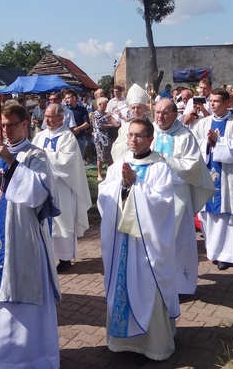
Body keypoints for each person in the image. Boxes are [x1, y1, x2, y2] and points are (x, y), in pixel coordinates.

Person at [0, 104, 61, 368]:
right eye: (2, 125)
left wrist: (10, 161)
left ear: (25, 124)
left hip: (22, 240)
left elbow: (39, 196)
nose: (6, 130)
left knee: (24, 306)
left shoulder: (35, 155)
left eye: (11, 125)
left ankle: (31, 360)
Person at [98, 118, 179, 361]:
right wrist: (122, 188)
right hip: (122, 241)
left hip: (147, 245)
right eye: (130, 135)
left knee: (148, 283)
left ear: (150, 139)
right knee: (120, 283)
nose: (133, 140)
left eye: (139, 136)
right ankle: (122, 343)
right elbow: (104, 195)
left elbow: (163, 204)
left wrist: (136, 184)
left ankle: (153, 344)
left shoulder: (160, 168)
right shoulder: (117, 165)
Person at [152, 98, 215, 294]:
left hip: (177, 195)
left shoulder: (184, 136)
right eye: (156, 112)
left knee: (179, 243)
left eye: (164, 113)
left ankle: (181, 287)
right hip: (154, 196)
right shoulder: (150, 132)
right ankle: (159, 283)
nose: (159, 117)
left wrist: (165, 161)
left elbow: (192, 166)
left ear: (174, 115)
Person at [193, 90, 233, 270]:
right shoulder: (203, 123)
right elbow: (194, 145)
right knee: (209, 215)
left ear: (227, 103)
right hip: (208, 174)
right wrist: (207, 143)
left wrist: (218, 141)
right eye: (211, 101)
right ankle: (213, 252)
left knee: (228, 214)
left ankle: (229, 254)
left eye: (217, 101)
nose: (212, 104)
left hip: (229, 176)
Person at [33, 102, 92, 273]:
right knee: (45, 221)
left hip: (62, 187)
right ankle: (48, 255)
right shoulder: (39, 136)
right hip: (43, 186)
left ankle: (65, 258)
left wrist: (44, 155)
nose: (47, 120)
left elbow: (67, 162)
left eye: (50, 117)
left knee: (62, 221)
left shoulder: (67, 136)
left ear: (60, 118)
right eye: (45, 116)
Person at [111, 83, 149, 162]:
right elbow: (116, 150)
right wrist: (129, 142)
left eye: (139, 107)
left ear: (145, 108)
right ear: (129, 109)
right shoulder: (124, 129)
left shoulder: (152, 127)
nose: (136, 111)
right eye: (133, 108)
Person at [92, 97, 118, 180]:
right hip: (100, 139)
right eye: (105, 104)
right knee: (100, 157)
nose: (106, 105)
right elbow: (98, 126)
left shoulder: (105, 113)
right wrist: (110, 125)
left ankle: (111, 174)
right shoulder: (96, 114)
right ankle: (99, 174)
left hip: (107, 138)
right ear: (99, 104)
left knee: (109, 156)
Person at [64, 89, 91, 160]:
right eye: (65, 98)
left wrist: (77, 129)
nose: (66, 100)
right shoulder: (65, 110)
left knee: (79, 159)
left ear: (74, 98)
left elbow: (87, 123)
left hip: (80, 138)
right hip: (68, 138)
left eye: (68, 98)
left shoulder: (82, 110)